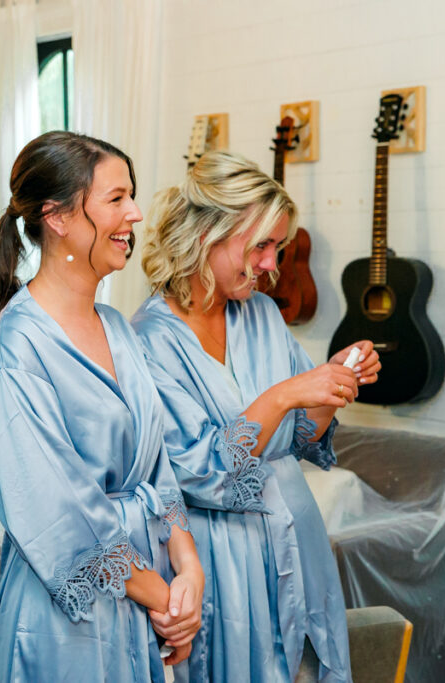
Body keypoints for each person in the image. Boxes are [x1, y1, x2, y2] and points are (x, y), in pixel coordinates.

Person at [0, 131, 204, 682]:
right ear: (58, 217)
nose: (135, 214)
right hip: (64, 620)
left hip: (148, 596)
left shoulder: (119, 329)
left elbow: (159, 470)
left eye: (131, 196)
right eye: (116, 198)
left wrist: (189, 569)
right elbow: (57, 512)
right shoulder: (18, 346)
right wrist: (165, 600)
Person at [131, 152, 381, 683]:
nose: (272, 265)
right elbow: (199, 472)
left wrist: (333, 384)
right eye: (261, 246)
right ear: (208, 235)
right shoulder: (149, 341)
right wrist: (285, 394)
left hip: (299, 535)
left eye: (278, 248)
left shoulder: (263, 314)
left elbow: (301, 437)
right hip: (223, 557)